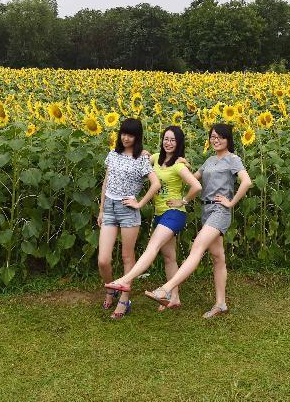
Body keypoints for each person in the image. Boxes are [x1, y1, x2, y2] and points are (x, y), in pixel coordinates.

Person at [145, 123, 252, 318]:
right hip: (206, 209)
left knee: (197, 247)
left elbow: (246, 181)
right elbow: (191, 178)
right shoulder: (209, 160)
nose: (216, 140)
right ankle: (221, 304)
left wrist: (231, 202)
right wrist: (180, 163)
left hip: (220, 210)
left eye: (220, 137)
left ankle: (166, 289)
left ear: (228, 140)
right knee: (218, 257)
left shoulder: (233, 159)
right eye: (213, 136)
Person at [103, 125, 202, 310]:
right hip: (160, 214)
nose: (169, 143)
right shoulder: (156, 158)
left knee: (153, 246)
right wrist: (144, 153)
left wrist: (183, 201)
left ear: (179, 143)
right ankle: (174, 298)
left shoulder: (179, 165)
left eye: (173, 140)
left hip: (174, 214)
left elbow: (196, 186)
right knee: (169, 258)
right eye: (166, 139)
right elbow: (143, 159)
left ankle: (125, 279)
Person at [98, 117, 161, 319]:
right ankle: (110, 290)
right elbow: (106, 183)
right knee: (103, 260)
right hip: (109, 207)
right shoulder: (112, 154)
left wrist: (140, 203)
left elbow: (156, 184)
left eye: (131, 134)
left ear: (137, 137)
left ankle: (124, 301)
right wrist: (101, 210)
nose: (126, 138)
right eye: (124, 133)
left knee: (127, 257)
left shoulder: (141, 158)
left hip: (128, 210)